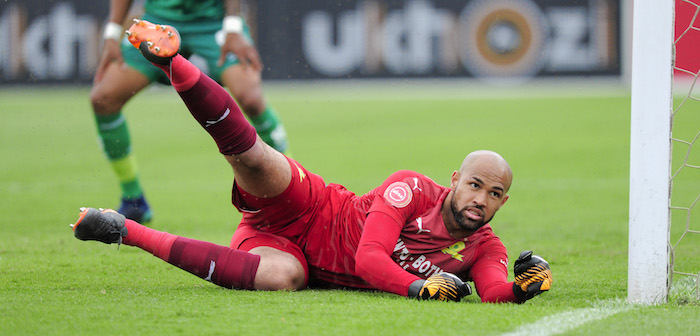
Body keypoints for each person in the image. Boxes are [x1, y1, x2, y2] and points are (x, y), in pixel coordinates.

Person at [72, 20, 553, 303]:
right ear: (456, 180)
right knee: (254, 158)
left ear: (502, 201)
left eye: (493, 195)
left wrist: (523, 287)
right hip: (311, 206)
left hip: (294, 255)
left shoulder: (485, 246)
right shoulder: (411, 189)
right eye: (475, 185)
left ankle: (122, 230)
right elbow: (368, 259)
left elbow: (492, 290)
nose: (480, 200)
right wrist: (418, 289)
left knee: (283, 280)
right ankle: (172, 63)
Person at [90, 0, 290, 223]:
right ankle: (133, 200)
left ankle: (291, 189)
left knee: (251, 99)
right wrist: (111, 33)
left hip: (213, 23)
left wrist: (232, 26)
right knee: (103, 99)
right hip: (158, 22)